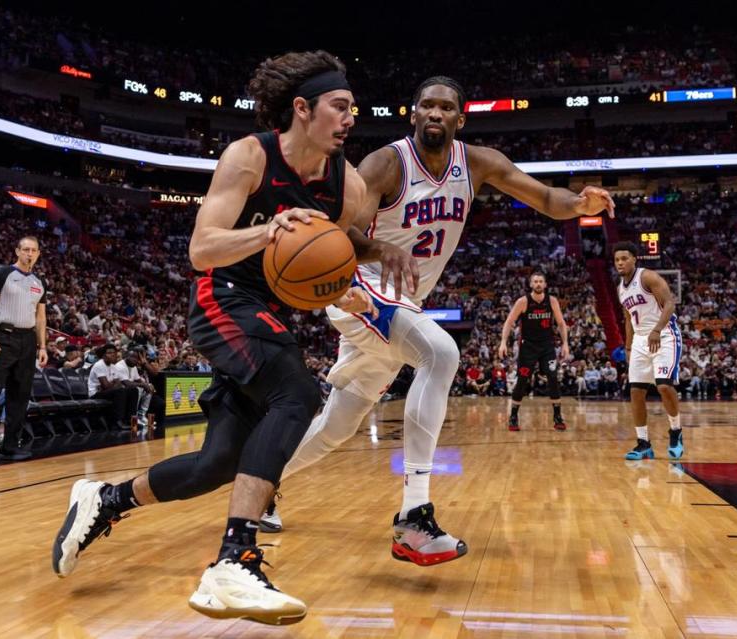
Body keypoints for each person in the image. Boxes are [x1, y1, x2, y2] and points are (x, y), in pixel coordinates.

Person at [52, 50, 374, 625]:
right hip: (221, 298)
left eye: (353, 107)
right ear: (303, 109)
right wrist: (266, 232)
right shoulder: (249, 156)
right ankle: (235, 558)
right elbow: (202, 249)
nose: (351, 118)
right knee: (296, 392)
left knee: (218, 463)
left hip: (268, 312)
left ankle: (106, 499)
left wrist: (355, 276)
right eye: (340, 106)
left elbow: (328, 257)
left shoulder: (346, 183)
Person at [262, 77, 614, 556]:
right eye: (426, 105)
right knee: (441, 352)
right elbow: (342, 234)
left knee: (338, 427)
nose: (434, 112)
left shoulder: (478, 162)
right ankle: (413, 518)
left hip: (403, 302)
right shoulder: (387, 163)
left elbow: (546, 198)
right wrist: (380, 250)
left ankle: (261, 483)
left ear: (459, 118)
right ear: (413, 114)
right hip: (362, 287)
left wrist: (578, 204)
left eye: (445, 107)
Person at [0, 236, 48, 464]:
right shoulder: (2, 274)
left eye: (33, 250)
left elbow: (41, 316)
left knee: (20, 396)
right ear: (17, 251)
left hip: (27, 341)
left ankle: (9, 446)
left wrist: (42, 345)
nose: (29, 253)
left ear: (38, 254)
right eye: (25, 249)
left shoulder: (39, 282)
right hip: (2, 337)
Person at [614, 242, 684, 460]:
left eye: (624, 258)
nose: (620, 263)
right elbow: (627, 319)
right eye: (617, 260)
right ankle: (643, 443)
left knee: (663, 385)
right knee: (635, 391)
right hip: (639, 341)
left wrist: (656, 330)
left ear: (635, 259)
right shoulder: (620, 289)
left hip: (664, 334)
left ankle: (675, 431)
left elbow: (670, 304)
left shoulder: (648, 277)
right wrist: (627, 345)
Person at [498, 272, 569, 431]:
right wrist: (503, 342)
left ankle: (557, 416)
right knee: (522, 380)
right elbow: (509, 322)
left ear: (545, 285)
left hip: (547, 346)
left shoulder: (552, 301)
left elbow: (561, 323)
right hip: (528, 347)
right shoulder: (523, 302)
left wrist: (565, 344)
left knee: (552, 377)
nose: (538, 284)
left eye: (540, 281)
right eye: (535, 281)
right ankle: (514, 416)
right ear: (531, 284)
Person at [87, 344, 138, 430]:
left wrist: (112, 383)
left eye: (114, 352)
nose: (113, 354)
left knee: (133, 390)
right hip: (95, 393)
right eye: (109, 353)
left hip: (106, 391)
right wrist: (113, 383)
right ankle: (117, 421)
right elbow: (106, 386)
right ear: (104, 355)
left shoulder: (113, 366)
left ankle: (130, 419)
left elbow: (117, 383)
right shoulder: (99, 365)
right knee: (120, 391)